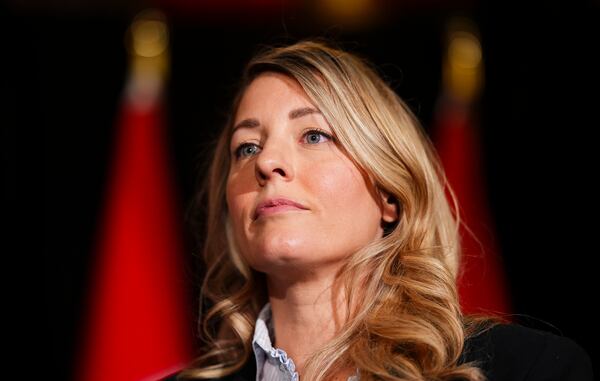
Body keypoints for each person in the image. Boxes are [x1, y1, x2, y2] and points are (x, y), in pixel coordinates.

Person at [165, 39, 593, 381]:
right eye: (248, 147)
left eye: (313, 135)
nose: (265, 162)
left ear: (389, 195)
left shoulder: (528, 369)